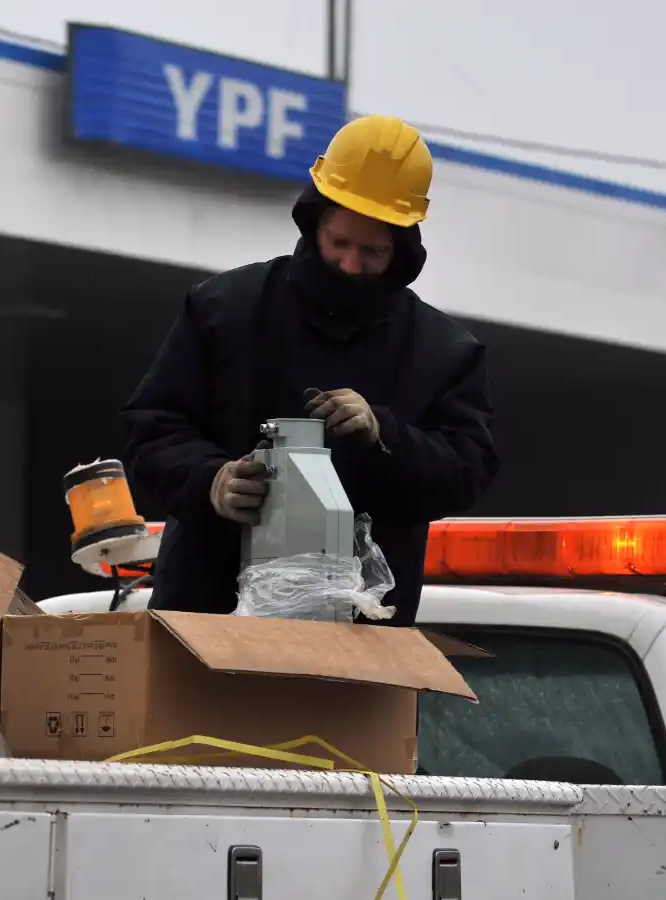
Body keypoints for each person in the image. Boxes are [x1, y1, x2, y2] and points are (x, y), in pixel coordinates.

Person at [120, 115, 499, 626]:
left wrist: (386, 434)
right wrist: (211, 482)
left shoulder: (445, 352)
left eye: (372, 252)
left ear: (404, 248)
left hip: (360, 646)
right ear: (313, 221)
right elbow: (151, 430)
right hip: (206, 631)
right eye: (338, 242)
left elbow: (467, 469)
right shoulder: (223, 310)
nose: (349, 264)